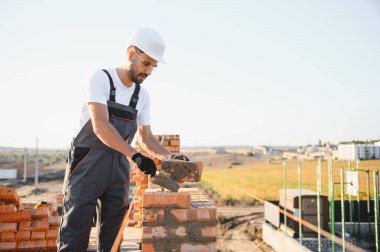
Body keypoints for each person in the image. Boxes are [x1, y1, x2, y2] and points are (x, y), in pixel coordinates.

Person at [57, 28, 189, 251]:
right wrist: (135, 155)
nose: (149, 71)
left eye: (153, 67)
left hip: (118, 169)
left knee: (113, 239)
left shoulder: (143, 96)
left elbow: (146, 137)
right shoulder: (101, 78)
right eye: (146, 63)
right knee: (75, 235)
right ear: (131, 54)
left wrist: (170, 157)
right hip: (87, 165)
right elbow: (100, 126)